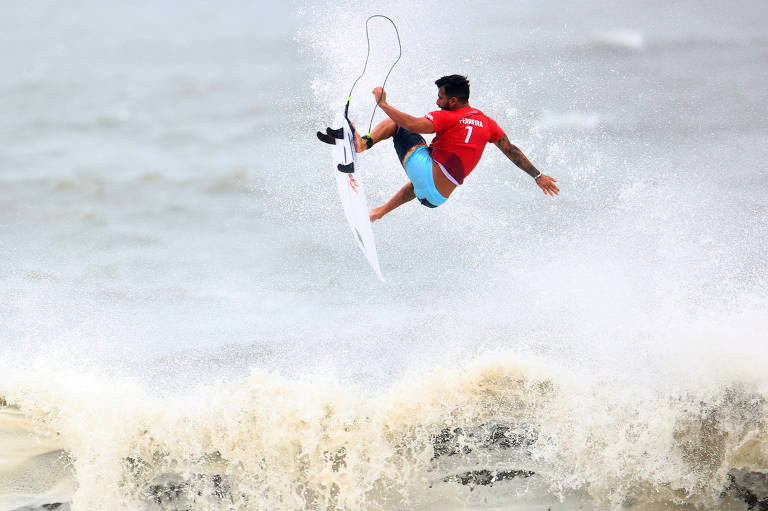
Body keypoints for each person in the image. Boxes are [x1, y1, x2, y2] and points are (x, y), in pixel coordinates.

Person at [351, 75, 559, 222]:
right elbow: (511, 150)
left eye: (440, 97)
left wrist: (384, 104)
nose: (437, 101)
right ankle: (380, 212)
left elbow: (411, 125)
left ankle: (363, 143)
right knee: (427, 170)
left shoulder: (448, 116)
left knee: (396, 124)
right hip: (436, 198)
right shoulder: (488, 123)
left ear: (453, 100)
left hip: (426, 174)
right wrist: (537, 175)